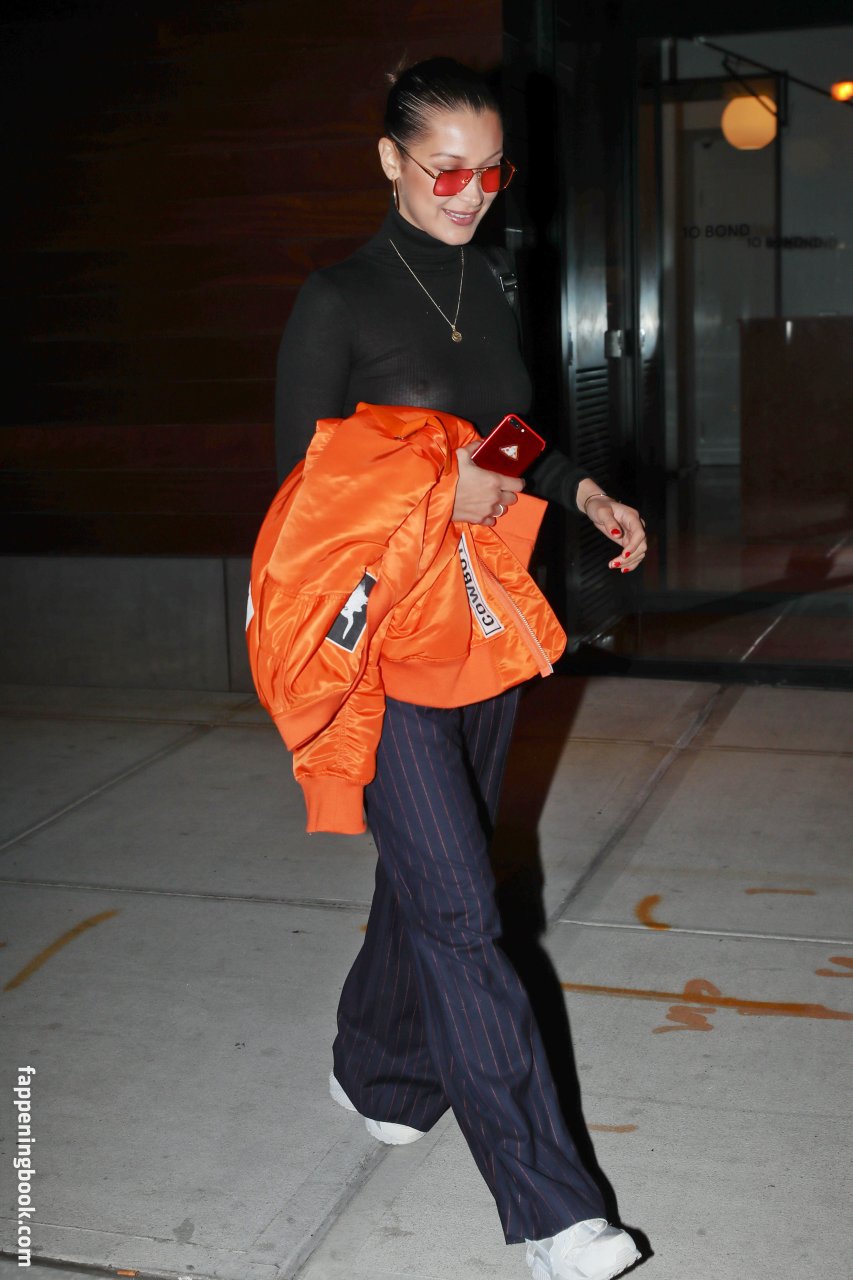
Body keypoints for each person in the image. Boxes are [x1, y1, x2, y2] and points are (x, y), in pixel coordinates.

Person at [271, 57, 647, 1280]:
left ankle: (377, 1067)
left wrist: (575, 491)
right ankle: (552, 1211)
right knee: (461, 911)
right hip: (378, 645)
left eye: (489, 172)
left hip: (477, 628)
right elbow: (300, 504)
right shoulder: (336, 300)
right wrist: (443, 493)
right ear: (389, 160)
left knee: (432, 877)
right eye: (446, 170)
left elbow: (509, 437)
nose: (471, 192)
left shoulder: (490, 281)